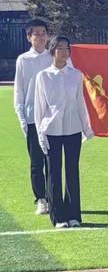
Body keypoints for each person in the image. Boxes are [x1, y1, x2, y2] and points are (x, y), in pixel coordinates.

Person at [34, 36, 94, 228]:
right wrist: (40, 135)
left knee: (72, 171)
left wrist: (86, 128)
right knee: (53, 173)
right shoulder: (43, 76)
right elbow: (39, 109)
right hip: (51, 130)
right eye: (60, 48)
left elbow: (80, 103)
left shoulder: (76, 75)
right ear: (52, 51)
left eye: (67, 48)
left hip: (72, 129)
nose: (64, 52)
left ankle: (73, 214)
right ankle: (58, 216)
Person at [13, 19, 52, 215]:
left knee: (52, 161)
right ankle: (41, 199)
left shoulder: (54, 57)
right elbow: (19, 91)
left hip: (52, 118)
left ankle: (54, 198)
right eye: (36, 33)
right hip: (32, 118)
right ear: (29, 37)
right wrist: (22, 118)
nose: (41, 36)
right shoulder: (23, 60)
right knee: (37, 162)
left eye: (43, 32)